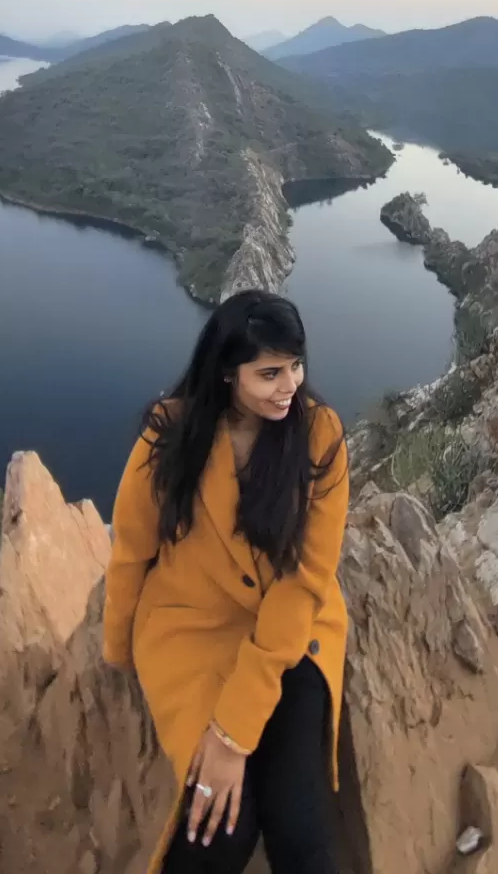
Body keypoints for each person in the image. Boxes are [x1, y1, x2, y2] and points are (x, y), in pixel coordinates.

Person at [103, 290, 349, 873]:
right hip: (193, 627)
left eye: (296, 365)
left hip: (288, 637)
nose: (289, 384)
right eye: (269, 373)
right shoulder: (172, 433)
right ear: (226, 373)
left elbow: (304, 582)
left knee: (298, 825)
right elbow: (133, 548)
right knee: (221, 829)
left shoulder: (319, 438)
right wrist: (118, 649)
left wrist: (234, 734)